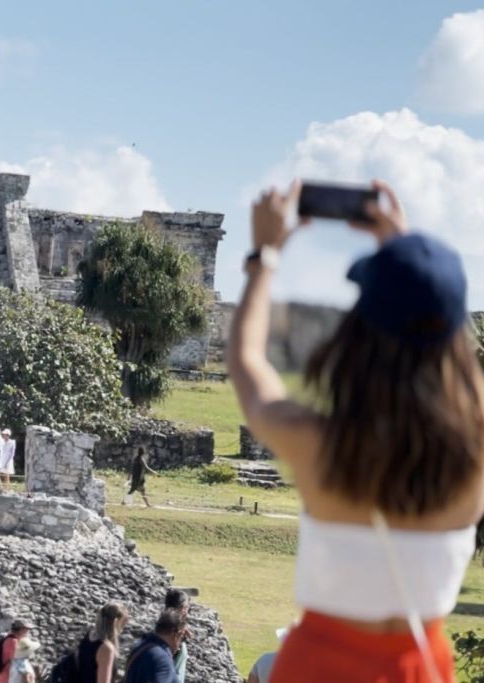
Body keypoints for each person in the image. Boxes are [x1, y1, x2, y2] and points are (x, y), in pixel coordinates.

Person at [228, 180, 484, 682]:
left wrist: (264, 257)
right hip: (419, 670)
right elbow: (447, 345)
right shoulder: (473, 455)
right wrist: (414, 266)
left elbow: (247, 361)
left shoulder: (321, 446)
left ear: (358, 331)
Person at [124, 608, 188, 683]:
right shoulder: (162, 659)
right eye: (182, 638)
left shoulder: (139, 646)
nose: (180, 645)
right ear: (176, 634)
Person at [76, 601, 130, 683]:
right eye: (123, 624)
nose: (122, 629)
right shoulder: (106, 648)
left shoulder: (90, 635)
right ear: (115, 622)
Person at [0, 619, 33, 683]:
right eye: (26, 629)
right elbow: (18, 661)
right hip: (9, 676)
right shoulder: (13, 641)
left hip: (1, 675)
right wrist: (26, 677)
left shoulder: (6, 638)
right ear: (21, 630)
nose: (28, 632)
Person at [164, 589, 191, 682]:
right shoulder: (171, 635)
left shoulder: (162, 627)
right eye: (187, 607)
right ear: (182, 608)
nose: (187, 612)